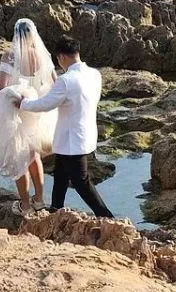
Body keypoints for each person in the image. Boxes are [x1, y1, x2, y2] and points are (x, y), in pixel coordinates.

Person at [16, 37, 114, 218]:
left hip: (72, 140)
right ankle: (55, 210)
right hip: (84, 134)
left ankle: (107, 217)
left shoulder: (66, 80)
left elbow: (45, 104)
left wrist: (23, 103)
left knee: (81, 182)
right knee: (60, 175)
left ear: (61, 57)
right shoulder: (94, 74)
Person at [0, 19, 57, 215]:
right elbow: (55, 84)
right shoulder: (42, 56)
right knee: (34, 155)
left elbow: (2, 87)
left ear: (16, 34)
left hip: (16, 112)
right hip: (36, 112)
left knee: (18, 157)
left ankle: (25, 205)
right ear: (33, 34)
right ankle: (39, 200)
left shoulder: (10, 56)